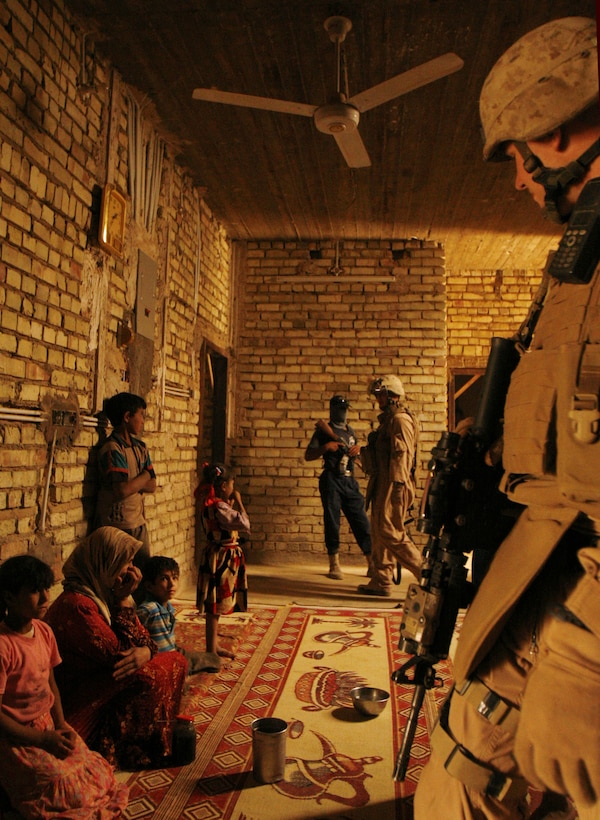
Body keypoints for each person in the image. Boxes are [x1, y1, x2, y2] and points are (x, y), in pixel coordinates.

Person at [415, 17, 600, 819]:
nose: (519, 182)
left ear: (555, 128)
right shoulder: (577, 264)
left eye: (518, 159)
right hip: (541, 603)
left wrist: (584, 663)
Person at [45, 527, 187, 770]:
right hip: (75, 698)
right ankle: (125, 747)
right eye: (125, 562)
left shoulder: (98, 592)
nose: (132, 571)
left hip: (96, 677)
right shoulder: (78, 606)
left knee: (169, 660)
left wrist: (147, 651)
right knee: (157, 672)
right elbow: (121, 657)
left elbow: (142, 646)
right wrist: (124, 602)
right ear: (105, 561)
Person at [0, 554, 128, 818]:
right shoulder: (3, 646)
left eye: (47, 588)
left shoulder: (44, 632)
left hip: (47, 724)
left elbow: (51, 684)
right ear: (9, 597)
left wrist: (60, 724)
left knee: (95, 770)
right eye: (35, 591)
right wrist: (42, 740)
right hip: (16, 736)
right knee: (61, 784)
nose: (46, 597)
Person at [357, 375, 422, 597]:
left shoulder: (400, 420)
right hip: (384, 480)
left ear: (392, 395)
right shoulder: (389, 420)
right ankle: (381, 579)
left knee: (390, 531)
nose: (378, 399)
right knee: (378, 530)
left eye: (381, 395)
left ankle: (426, 574)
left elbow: (403, 455)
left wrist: (397, 487)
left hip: (395, 481)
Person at [95, 392, 157, 600]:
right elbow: (121, 490)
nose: (143, 421)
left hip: (138, 522)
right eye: (141, 415)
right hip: (118, 525)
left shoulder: (140, 447)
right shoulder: (113, 449)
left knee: (143, 575)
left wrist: (137, 482)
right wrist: (144, 476)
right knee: (120, 579)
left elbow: (152, 485)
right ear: (127, 417)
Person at [304, 395, 372, 580]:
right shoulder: (323, 432)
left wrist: (358, 451)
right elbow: (308, 455)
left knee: (361, 521)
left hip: (349, 481)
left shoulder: (350, 432)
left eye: (345, 409)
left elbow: (357, 458)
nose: (343, 412)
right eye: (340, 408)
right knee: (332, 521)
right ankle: (334, 563)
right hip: (331, 479)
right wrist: (326, 447)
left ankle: (371, 561)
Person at [195, 463, 249, 660]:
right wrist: (240, 503)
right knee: (214, 603)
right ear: (224, 485)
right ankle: (211, 650)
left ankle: (213, 646)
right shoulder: (220, 506)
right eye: (232, 483)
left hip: (214, 555)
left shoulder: (211, 503)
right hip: (223, 559)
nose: (234, 487)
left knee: (214, 602)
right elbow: (244, 523)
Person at [137, 555, 221, 673]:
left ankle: (187, 663)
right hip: (161, 660)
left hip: (173, 651)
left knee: (213, 660)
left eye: (174, 578)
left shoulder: (168, 607)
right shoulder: (148, 610)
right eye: (164, 579)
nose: (172, 584)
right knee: (182, 678)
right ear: (149, 586)